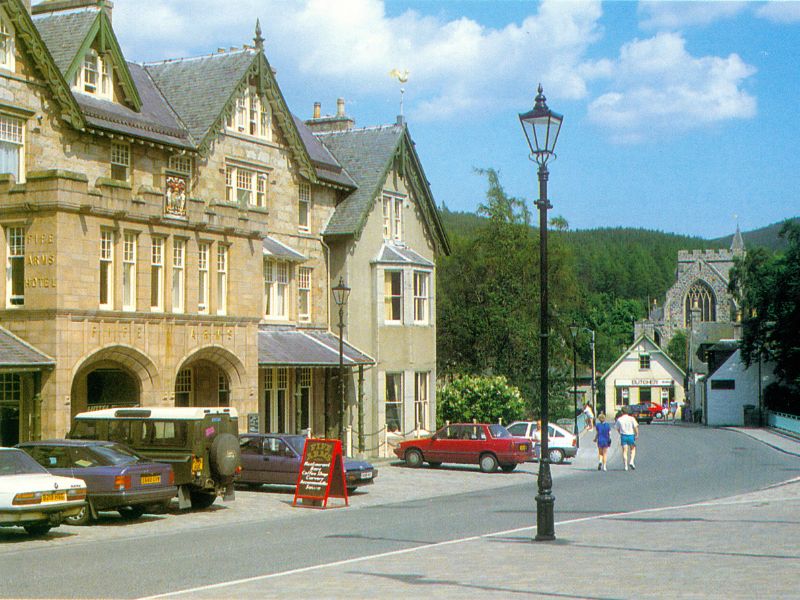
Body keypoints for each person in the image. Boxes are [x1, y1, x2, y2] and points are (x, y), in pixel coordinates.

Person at [615, 406, 639, 471]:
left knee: (624, 451)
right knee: (633, 449)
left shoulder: (619, 419)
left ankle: (625, 466)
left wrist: (620, 432)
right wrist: (637, 434)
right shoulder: (631, 418)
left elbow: (617, 428)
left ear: (622, 412)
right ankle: (631, 461)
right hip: (631, 435)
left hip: (623, 435)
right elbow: (635, 427)